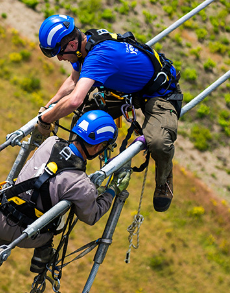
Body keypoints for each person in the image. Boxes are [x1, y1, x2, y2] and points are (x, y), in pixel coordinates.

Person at [35, 14, 181, 213]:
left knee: (158, 142)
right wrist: (49, 105)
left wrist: (45, 119)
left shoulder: (99, 56)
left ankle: (164, 180)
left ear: (70, 44)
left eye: (59, 53)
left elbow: (75, 99)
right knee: (83, 118)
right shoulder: (84, 45)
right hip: (128, 91)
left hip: (159, 94)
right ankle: (71, 170)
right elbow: (73, 79)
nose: (60, 58)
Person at [0, 110, 131, 292]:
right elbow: (92, 215)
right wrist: (112, 190)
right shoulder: (81, 184)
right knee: (52, 229)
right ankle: (43, 257)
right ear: (99, 147)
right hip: (28, 236)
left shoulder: (51, 142)